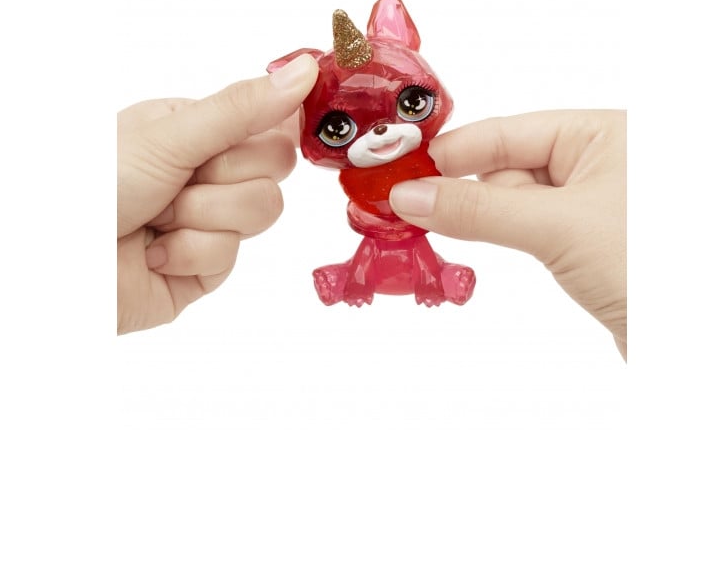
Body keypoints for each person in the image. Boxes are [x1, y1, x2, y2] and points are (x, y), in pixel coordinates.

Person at [117, 60, 626, 357]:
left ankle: (437, 279)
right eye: (340, 128)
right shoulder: (354, 178)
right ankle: (351, 279)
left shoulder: (421, 162)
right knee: (369, 259)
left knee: (423, 260)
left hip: (411, 237)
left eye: (409, 105)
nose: (382, 131)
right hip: (373, 236)